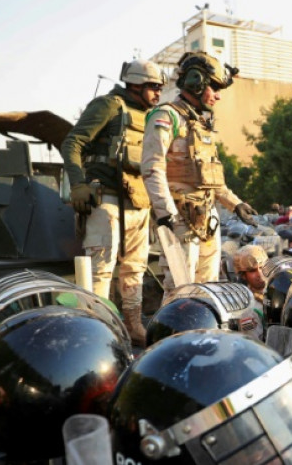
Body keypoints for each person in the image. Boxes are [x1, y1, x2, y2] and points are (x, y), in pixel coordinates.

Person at [60, 59, 164, 345]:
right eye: (154, 87)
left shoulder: (153, 116)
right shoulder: (108, 105)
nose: (158, 93)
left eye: (160, 88)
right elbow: (72, 142)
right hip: (106, 198)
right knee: (101, 270)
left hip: (138, 202)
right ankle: (98, 334)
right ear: (136, 85)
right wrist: (78, 184)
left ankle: (132, 326)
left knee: (135, 269)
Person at [141, 51, 259, 297]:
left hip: (207, 219)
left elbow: (211, 179)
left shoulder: (202, 126)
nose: (217, 96)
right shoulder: (166, 116)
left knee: (209, 288)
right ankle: (176, 334)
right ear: (196, 83)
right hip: (179, 219)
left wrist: (235, 204)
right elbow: (152, 168)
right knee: (180, 290)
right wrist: (166, 214)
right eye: (214, 88)